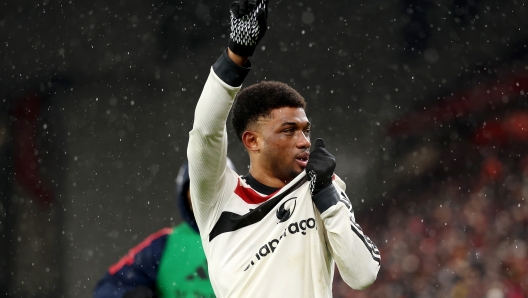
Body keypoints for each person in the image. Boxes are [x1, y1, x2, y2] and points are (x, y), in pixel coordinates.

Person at [187, 0, 381, 297]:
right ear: (252, 141)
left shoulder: (319, 189)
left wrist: (327, 195)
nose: (304, 141)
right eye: (289, 131)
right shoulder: (219, 199)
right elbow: (205, 132)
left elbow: (362, 275)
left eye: (306, 131)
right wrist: (236, 55)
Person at [93, 159, 236, 298]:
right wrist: (130, 295)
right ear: (184, 192)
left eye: (212, 184)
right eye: (196, 185)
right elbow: (108, 287)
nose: (203, 194)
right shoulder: (164, 244)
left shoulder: (252, 238)